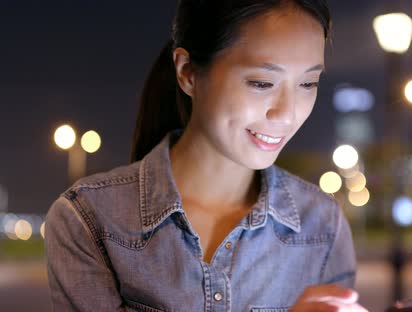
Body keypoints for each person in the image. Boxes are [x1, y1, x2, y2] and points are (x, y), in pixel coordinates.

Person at [45, 1, 367, 311]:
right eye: (261, 82)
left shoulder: (322, 224)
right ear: (187, 73)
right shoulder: (89, 220)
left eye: (308, 83)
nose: (286, 114)